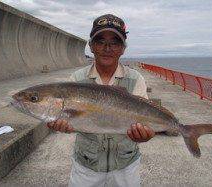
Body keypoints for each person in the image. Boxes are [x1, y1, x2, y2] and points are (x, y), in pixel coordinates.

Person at [47, 14, 155, 187]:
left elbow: (146, 123)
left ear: (123, 49)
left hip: (126, 167)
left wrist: (145, 135)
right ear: (91, 46)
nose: (107, 48)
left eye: (115, 43)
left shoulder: (136, 79)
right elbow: (74, 121)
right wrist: (64, 127)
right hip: (86, 165)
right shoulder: (76, 79)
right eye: (100, 41)